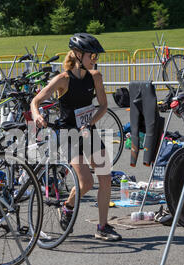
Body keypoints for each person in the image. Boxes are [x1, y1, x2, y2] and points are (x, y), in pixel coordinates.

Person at [30, 33, 122, 241]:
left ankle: (102, 227)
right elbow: (35, 101)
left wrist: (91, 122)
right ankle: (68, 205)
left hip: (88, 131)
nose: (95, 60)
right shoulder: (63, 79)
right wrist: (36, 115)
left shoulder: (95, 76)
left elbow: (104, 105)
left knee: (105, 177)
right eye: (93, 56)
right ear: (79, 55)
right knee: (86, 182)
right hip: (68, 133)